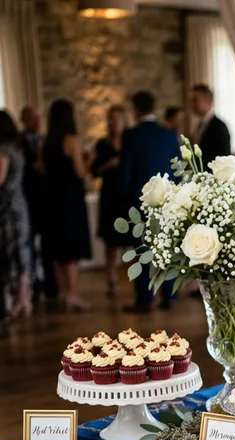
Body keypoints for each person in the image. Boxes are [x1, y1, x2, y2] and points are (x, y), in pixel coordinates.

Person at [119, 90, 180, 312]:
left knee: (142, 249)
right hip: (167, 200)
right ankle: (170, 295)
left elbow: (125, 172)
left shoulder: (131, 136)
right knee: (166, 249)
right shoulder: (169, 134)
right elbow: (177, 168)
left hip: (140, 200)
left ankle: (145, 299)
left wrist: (125, 199)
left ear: (136, 110)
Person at [42, 99, 91, 312]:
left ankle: (63, 291)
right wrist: (91, 159)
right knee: (71, 247)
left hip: (52, 198)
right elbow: (80, 172)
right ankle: (72, 293)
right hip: (70, 198)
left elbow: (43, 170)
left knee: (58, 246)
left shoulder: (47, 142)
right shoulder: (72, 140)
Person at [91, 105, 128, 297]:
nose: (113, 123)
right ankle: (111, 281)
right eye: (110, 119)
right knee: (110, 243)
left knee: (133, 241)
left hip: (127, 196)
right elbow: (94, 170)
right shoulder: (102, 145)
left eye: (117, 119)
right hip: (110, 197)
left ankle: (138, 282)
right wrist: (108, 165)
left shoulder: (130, 142)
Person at [0, 110, 32, 323]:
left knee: (9, 252)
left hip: (6, 207)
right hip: (19, 203)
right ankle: (24, 298)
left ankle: (14, 300)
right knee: (22, 251)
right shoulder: (17, 148)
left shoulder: (2, 150)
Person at [19, 106, 53, 302]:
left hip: (46, 198)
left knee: (48, 242)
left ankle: (50, 283)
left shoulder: (46, 141)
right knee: (28, 243)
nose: (36, 122)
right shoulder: (17, 141)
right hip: (27, 198)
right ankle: (31, 283)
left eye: (38, 118)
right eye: (32, 119)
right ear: (24, 120)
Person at [190, 83, 230, 165]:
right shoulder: (200, 125)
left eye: (195, 100)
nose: (191, 104)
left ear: (208, 101)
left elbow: (223, 158)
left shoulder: (219, 127)